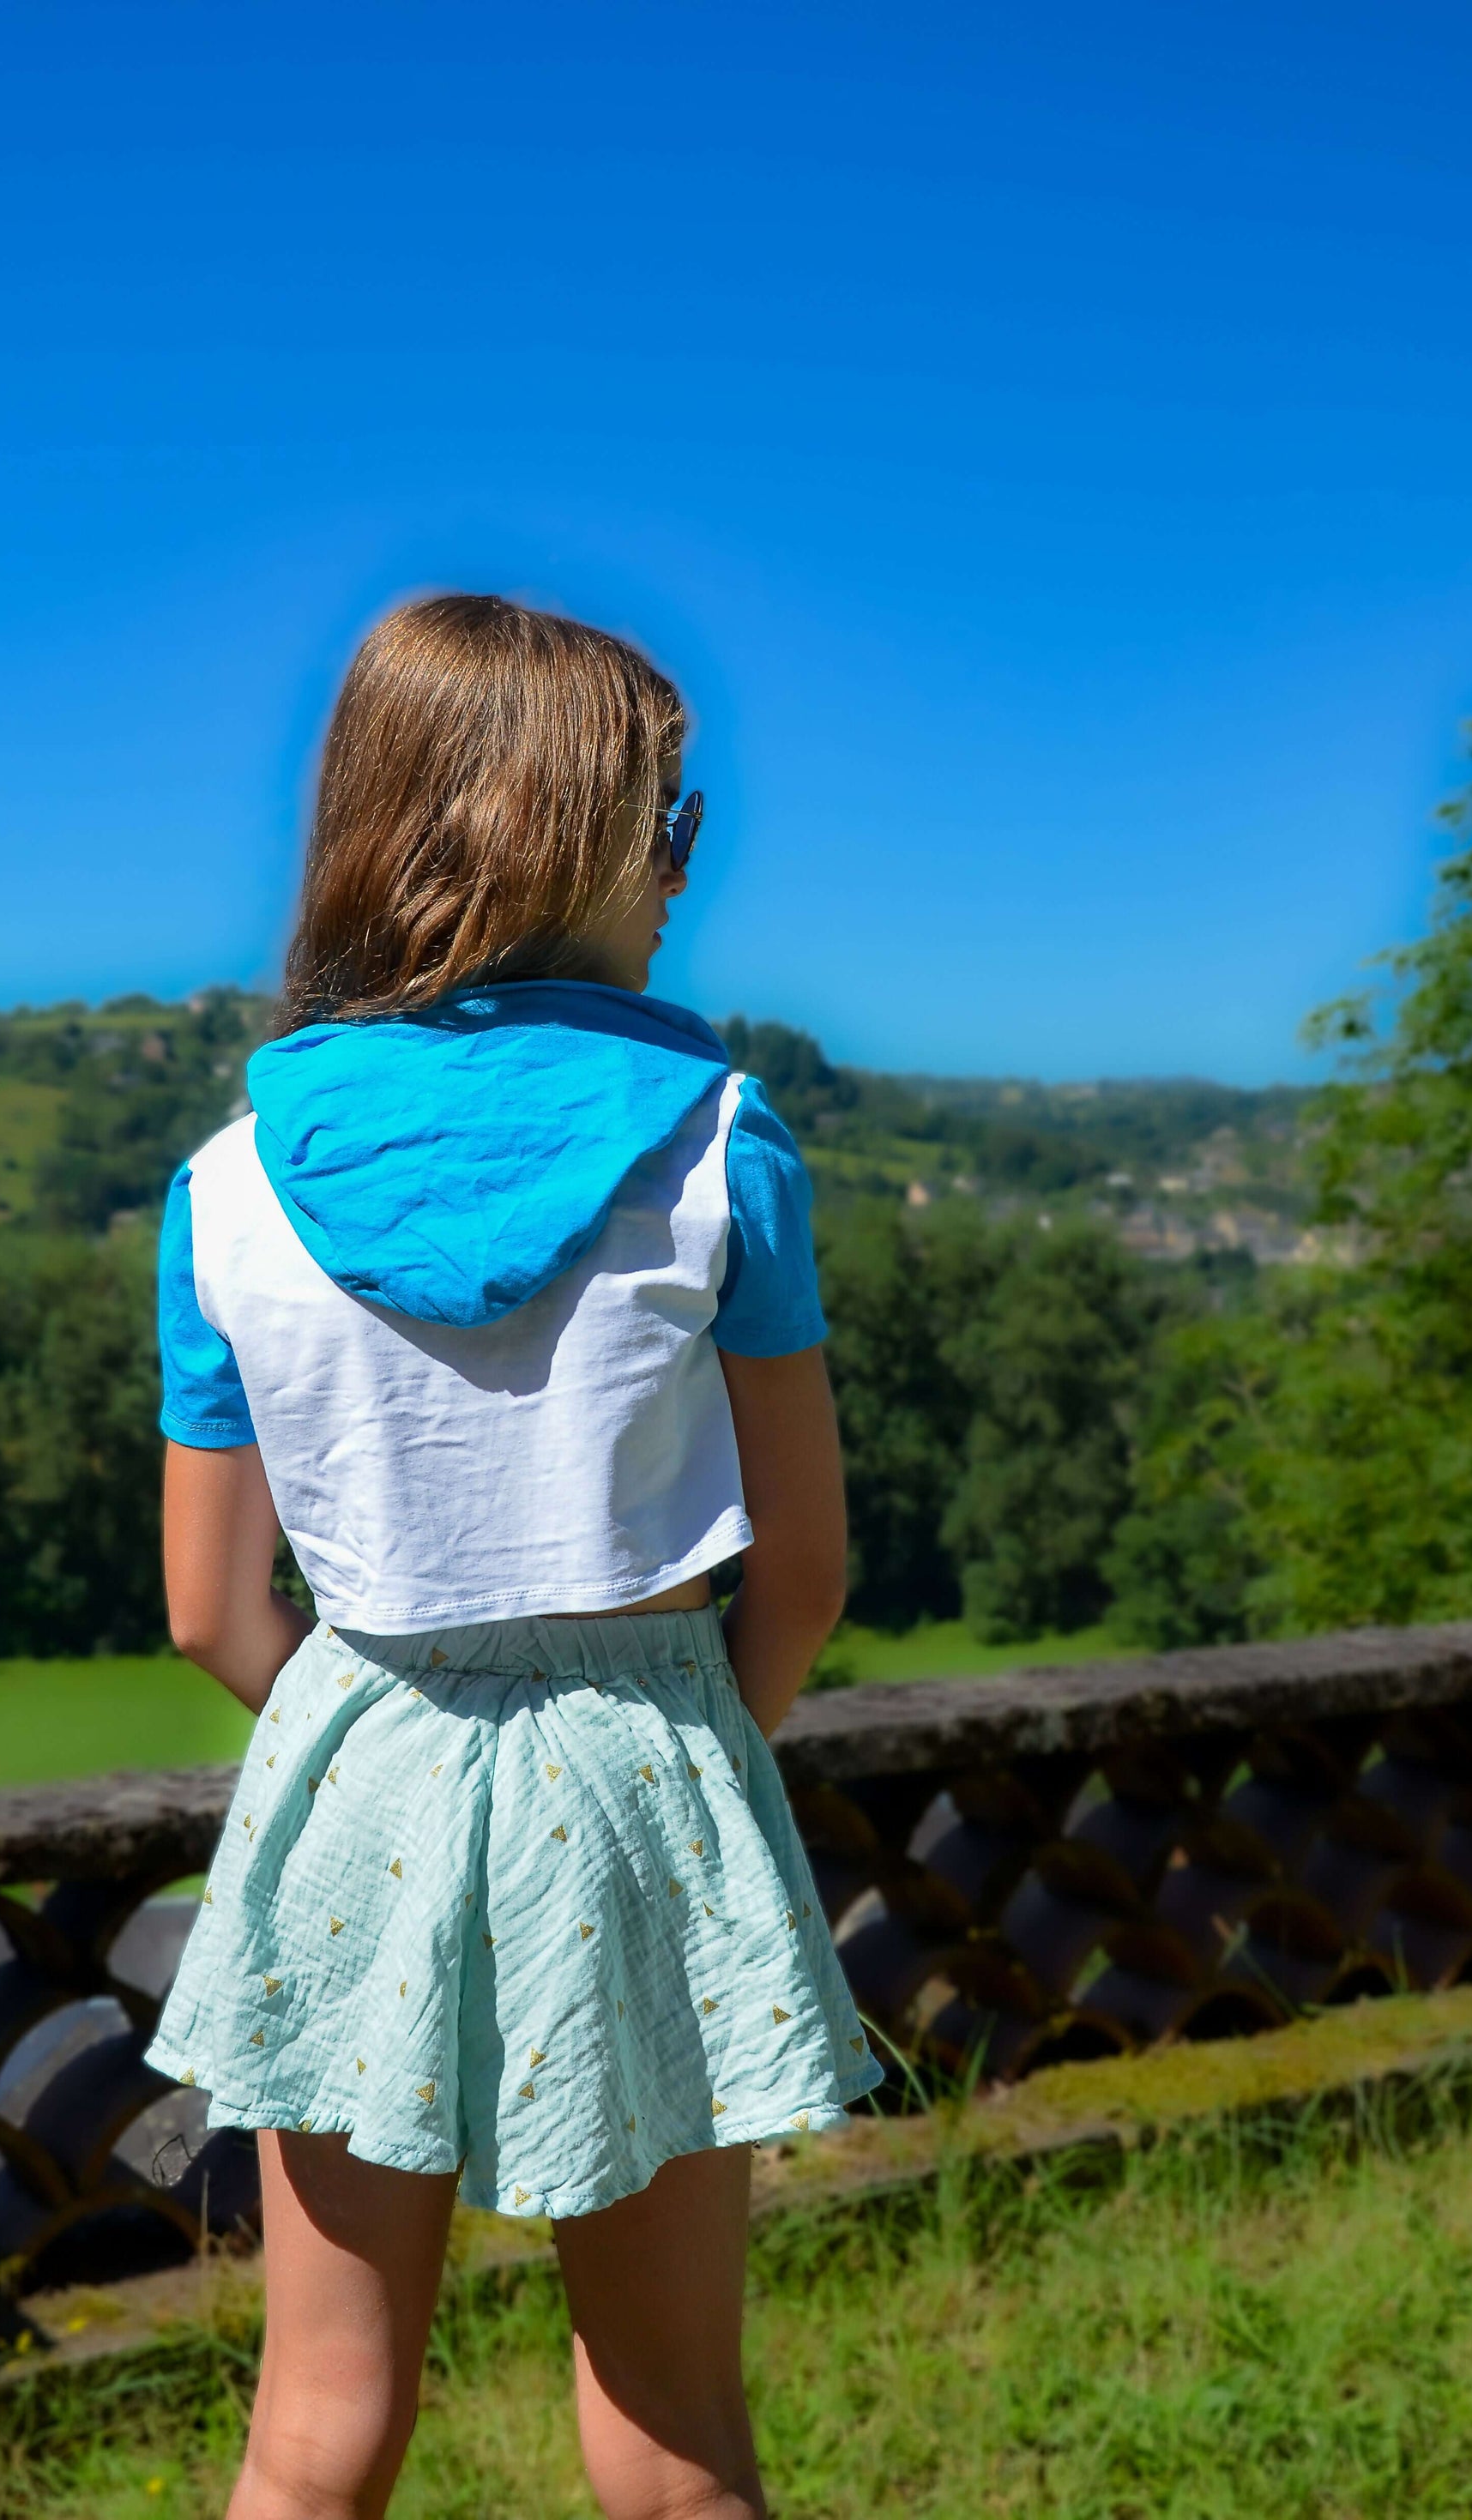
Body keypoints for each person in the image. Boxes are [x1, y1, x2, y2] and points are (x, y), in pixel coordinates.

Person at [149, 592, 881, 2520]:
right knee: (669, 2436)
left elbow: (211, 1610)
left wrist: (381, 1715)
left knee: (313, 2429)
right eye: (668, 820)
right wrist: (689, 1741)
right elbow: (799, 1566)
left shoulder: (222, 1184)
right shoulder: (726, 1141)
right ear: (554, 832)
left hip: (359, 1756)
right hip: (640, 1764)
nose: (678, 871)